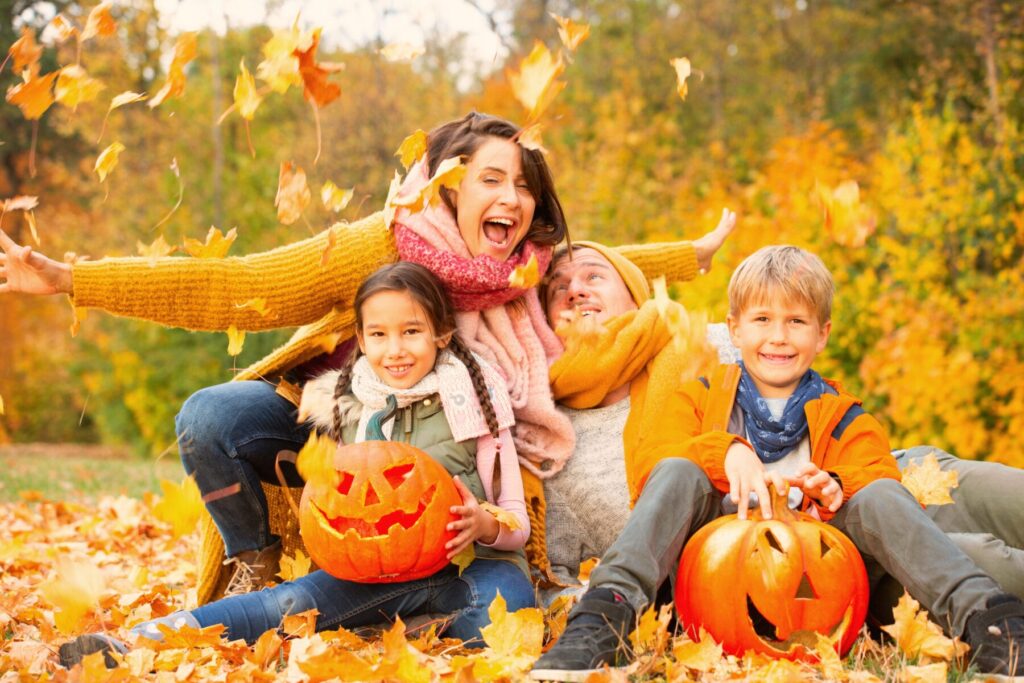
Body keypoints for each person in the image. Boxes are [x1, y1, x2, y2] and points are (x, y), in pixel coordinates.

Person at [0, 111, 737, 602]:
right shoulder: (383, 244)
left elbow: (607, 261)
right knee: (212, 416)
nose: (512, 196)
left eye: (524, 185)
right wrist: (74, 278)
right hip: (341, 432)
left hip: (444, 462)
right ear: (445, 185)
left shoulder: (528, 263)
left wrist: (693, 256)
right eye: (491, 179)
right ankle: (253, 557)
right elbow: (240, 284)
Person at [531, 245, 1024, 679]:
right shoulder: (697, 398)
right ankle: (603, 618)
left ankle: (991, 623)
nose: (779, 337)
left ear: (822, 334)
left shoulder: (841, 412)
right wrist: (728, 450)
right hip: (717, 561)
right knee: (679, 470)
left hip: (825, 563)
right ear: (735, 330)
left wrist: (836, 485)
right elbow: (655, 461)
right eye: (763, 321)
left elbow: (877, 472)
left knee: (885, 496)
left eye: (796, 322)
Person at [58, 261, 534, 669]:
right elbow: (336, 503)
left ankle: (399, 634)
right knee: (286, 602)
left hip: (480, 567)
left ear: (442, 334)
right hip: (378, 570)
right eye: (379, 334)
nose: (396, 349)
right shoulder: (349, 408)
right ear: (361, 342)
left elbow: (517, 520)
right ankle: (138, 640)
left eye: (412, 332)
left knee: (496, 623)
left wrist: (486, 525)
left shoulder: (479, 403)